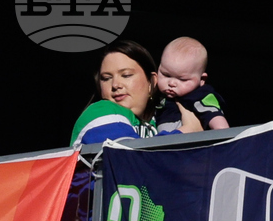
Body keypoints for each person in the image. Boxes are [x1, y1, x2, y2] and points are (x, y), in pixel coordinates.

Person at [70, 40, 202, 146]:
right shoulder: (99, 111)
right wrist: (187, 131)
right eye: (106, 78)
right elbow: (129, 158)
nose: (115, 85)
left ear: (151, 81)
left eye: (126, 75)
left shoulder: (162, 119)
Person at [154, 37, 229, 134]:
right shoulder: (157, 94)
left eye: (182, 79)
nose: (171, 83)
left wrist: (222, 134)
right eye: (166, 75)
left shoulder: (200, 95)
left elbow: (214, 115)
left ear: (202, 80)